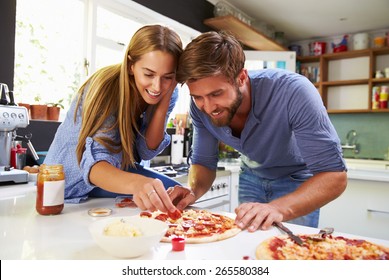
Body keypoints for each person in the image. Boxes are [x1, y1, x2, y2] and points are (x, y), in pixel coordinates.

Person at [169, 31, 348, 231]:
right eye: (198, 97)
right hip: (251, 177)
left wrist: (278, 209)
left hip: (297, 180)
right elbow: (204, 162)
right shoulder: (199, 108)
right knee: (249, 247)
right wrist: (192, 191)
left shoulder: (294, 92)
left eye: (216, 93)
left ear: (241, 77)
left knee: (290, 254)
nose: (208, 107)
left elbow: (334, 176)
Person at [44, 24, 183, 214]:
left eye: (168, 77)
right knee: (162, 198)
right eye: (149, 74)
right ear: (131, 65)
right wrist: (138, 184)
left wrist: (165, 98)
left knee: (177, 197)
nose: (157, 86)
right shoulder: (105, 88)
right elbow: (95, 166)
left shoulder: (167, 91)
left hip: (115, 177)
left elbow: (147, 150)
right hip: (67, 185)